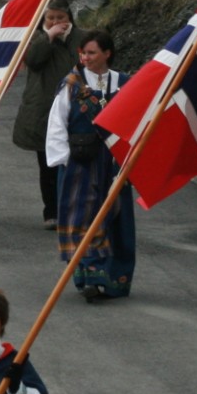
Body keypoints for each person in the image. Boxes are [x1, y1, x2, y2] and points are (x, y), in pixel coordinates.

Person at [46, 30, 134, 301]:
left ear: (107, 53)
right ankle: (90, 278)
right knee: (83, 220)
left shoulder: (125, 83)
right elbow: (57, 124)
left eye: (92, 53)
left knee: (115, 218)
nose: (85, 58)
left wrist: (129, 159)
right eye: (83, 53)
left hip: (114, 163)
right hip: (80, 164)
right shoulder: (71, 83)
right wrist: (63, 161)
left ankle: (113, 280)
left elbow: (136, 122)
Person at [16, 0, 80, 229]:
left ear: (69, 18)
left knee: (74, 162)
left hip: (74, 108)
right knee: (48, 164)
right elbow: (32, 61)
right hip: (43, 110)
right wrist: (49, 38)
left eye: (60, 18)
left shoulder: (80, 38)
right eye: (50, 18)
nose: (55, 22)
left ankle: (73, 209)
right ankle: (51, 211)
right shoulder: (36, 39)